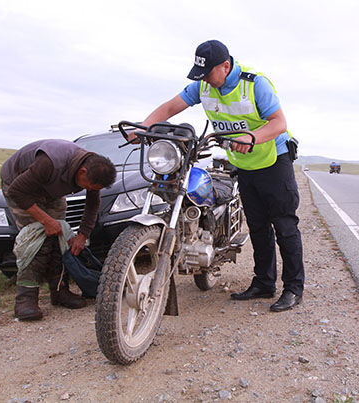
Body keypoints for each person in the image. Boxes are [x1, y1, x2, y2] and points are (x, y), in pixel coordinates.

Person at [128, 40, 304, 312]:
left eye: (208, 73)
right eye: (200, 75)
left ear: (225, 66)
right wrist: (145, 125)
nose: (205, 81)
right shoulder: (203, 86)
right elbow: (170, 107)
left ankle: (293, 288)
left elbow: (279, 123)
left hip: (273, 161)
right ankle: (264, 282)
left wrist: (251, 137)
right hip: (244, 164)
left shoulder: (255, 84)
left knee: (284, 226)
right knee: (257, 226)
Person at [0, 139, 116, 321]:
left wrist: (83, 235)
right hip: (19, 186)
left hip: (50, 189)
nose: (87, 190)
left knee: (59, 238)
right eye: (87, 186)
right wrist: (46, 221)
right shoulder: (49, 162)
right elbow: (17, 191)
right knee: (36, 240)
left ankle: (60, 291)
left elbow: (93, 204)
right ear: (82, 172)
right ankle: (25, 299)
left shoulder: (93, 170)